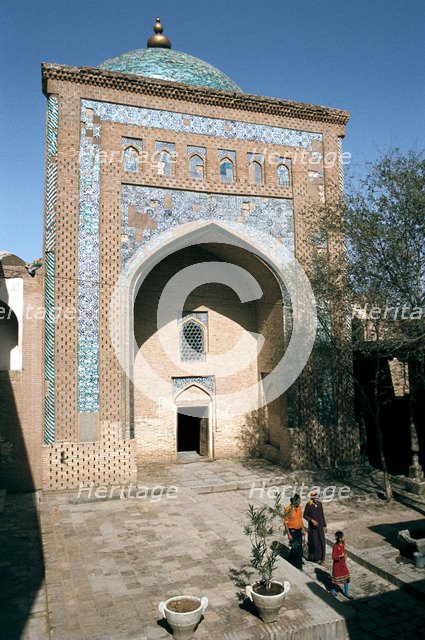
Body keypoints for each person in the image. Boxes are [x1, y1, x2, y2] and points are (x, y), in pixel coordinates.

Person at [303, 490, 327, 564]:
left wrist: (324, 525)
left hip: (319, 526)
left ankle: (322, 558)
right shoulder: (309, 505)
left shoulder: (320, 504)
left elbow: (322, 515)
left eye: (318, 498)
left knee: (322, 541)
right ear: (312, 498)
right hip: (312, 527)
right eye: (315, 498)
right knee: (315, 542)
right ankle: (315, 558)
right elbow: (305, 515)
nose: (317, 499)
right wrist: (311, 520)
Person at [283, 494, 305, 570]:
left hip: (299, 531)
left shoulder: (299, 508)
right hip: (292, 531)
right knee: (298, 548)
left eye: (300, 501)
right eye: (298, 501)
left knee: (297, 547)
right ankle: (298, 566)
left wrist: (303, 529)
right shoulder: (288, 509)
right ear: (294, 501)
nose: (299, 502)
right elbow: (286, 522)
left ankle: (291, 559)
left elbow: (300, 520)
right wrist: (288, 534)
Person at [331, 531, 354, 599]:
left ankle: (346, 593)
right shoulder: (335, 546)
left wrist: (345, 555)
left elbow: (343, 551)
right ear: (340, 538)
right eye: (343, 536)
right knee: (336, 579)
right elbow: (333, 557)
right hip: (337, 566)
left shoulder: (343, 544)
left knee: (346, 578)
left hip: (343, 564)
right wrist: (340, 556)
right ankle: (333, 590)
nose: (344, 537)